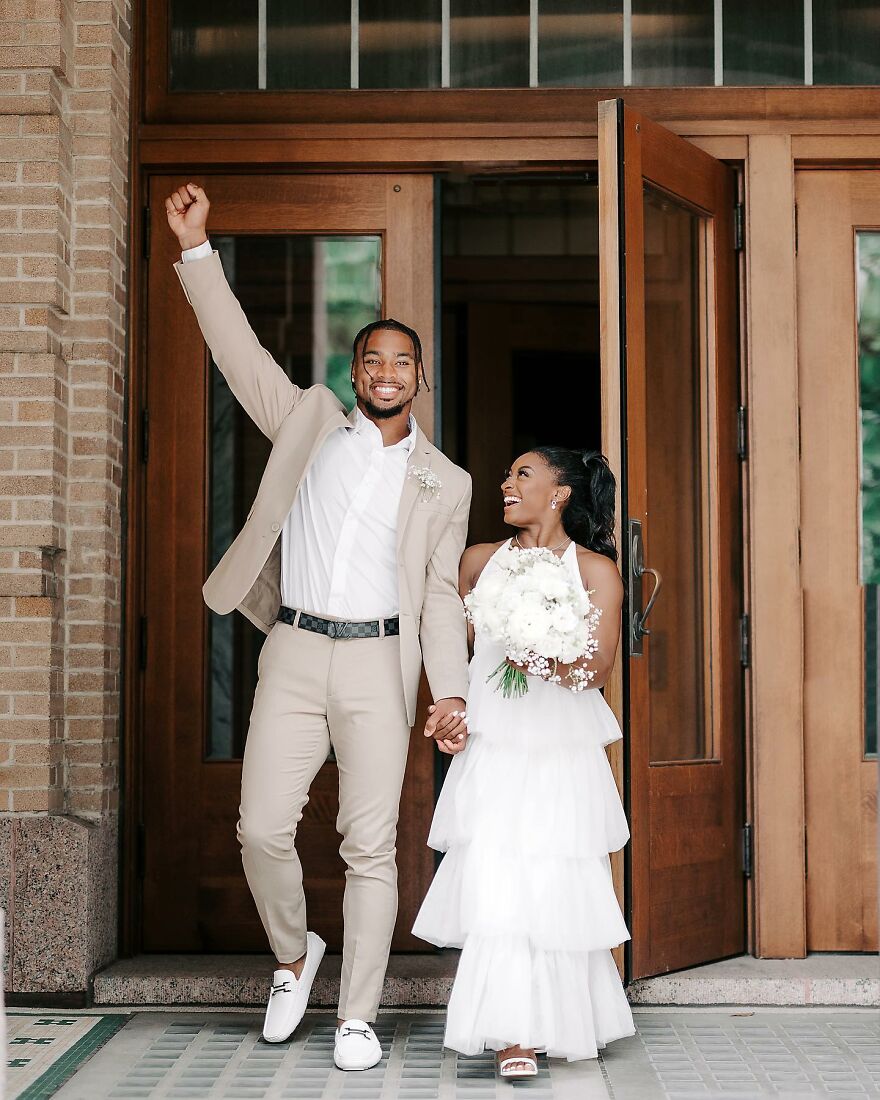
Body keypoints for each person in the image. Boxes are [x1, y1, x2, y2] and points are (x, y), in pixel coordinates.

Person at [165, 183, 472, 1071]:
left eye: (401, 363)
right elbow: (237, 353)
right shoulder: (308, 424)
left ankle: (359, 1018)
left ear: (420, 378)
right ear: (354, 371)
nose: (385, 372)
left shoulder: (443, 483)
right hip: (295, 649)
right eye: (371, 359)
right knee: (261, 827)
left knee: (370, 846)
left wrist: (445, 689)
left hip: (382, 660)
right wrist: (195, 249)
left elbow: (440, 597)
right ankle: (297, 959)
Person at [413, 447, 635, 1077]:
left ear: (559, 493)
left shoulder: (593, 570)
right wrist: (449, 712)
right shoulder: (479, 562)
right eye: (508, 475)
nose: (506, 485)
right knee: (498, 878)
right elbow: (452, 651)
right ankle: (514, 1032)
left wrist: (537, 653)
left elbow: (595, 668)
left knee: (552, 876)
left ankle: (557, 1020)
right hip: (497, 740)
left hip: (558, 744)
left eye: (522, 475)